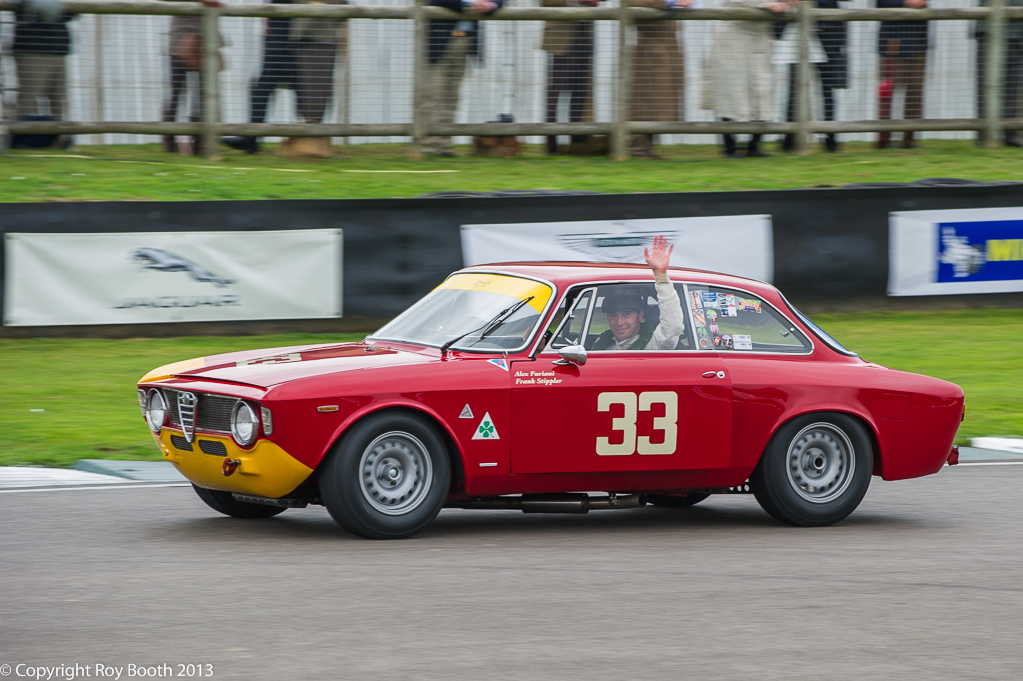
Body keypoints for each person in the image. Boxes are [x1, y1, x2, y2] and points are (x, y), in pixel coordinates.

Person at [701, 0, 792, 158]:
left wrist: (786, 4)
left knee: (761, 89)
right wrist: (766, 5)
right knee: (730, 90)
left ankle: (754, 146)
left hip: (759, 39)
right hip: (731, 39)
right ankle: (729, 148)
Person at [418, 0, 504, 157]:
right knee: (433, 94)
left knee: (451, 96)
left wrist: (492, 5)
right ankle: (428, 146)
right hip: (439, 40)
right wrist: (469, 3)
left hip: (465, 39)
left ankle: (443, 146)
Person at [223, 0, 301, 154]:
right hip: (277, 40)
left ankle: (251, 140)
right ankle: (251, 139)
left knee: (300, 91)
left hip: (285, 42)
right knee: (262, 90)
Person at [591, 235, 685, 351]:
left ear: (640, 315)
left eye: (626, 315)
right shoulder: (602, 342)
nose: (619, 323)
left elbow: (673, 327)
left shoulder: (654, 345)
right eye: (613, 316)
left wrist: (661, 276)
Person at [777, 0, 848, 153]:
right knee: (794, 89)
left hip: (828, 32)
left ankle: (830, 139)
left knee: (827, 90)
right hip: (797, 32)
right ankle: (790, 139)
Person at [628, 0, 688, 159]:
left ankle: (646, 147)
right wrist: (668, 2)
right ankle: (638, 147)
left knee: (660, 99)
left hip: (668, 45)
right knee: (646, 97)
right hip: (651, 47)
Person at [541, 0, 601, 155]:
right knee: (557, 89)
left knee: (580, 89)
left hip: (584, 33)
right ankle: (551, 141)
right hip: (562, 35)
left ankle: (576, 141)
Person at [876, 0, 930, 149]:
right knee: (889, 88)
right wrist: (906, 2)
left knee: (915, 90)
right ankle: (884, 139)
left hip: (918, 40)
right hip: (893, 39)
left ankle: (909, 139)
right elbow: (881, 3)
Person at [12, 0, 74, 129]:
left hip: (58, 49)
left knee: (59, 103)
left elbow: (70, 13)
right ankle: (21, 136)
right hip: (32, 50)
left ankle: (60, 138)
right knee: (28, 101)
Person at [974, 0, 1023, 147]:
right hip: (989, 30)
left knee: (1013, 86)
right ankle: (985, 134)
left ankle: (1011, 133)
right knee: (986, 85)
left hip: (1017, 33)